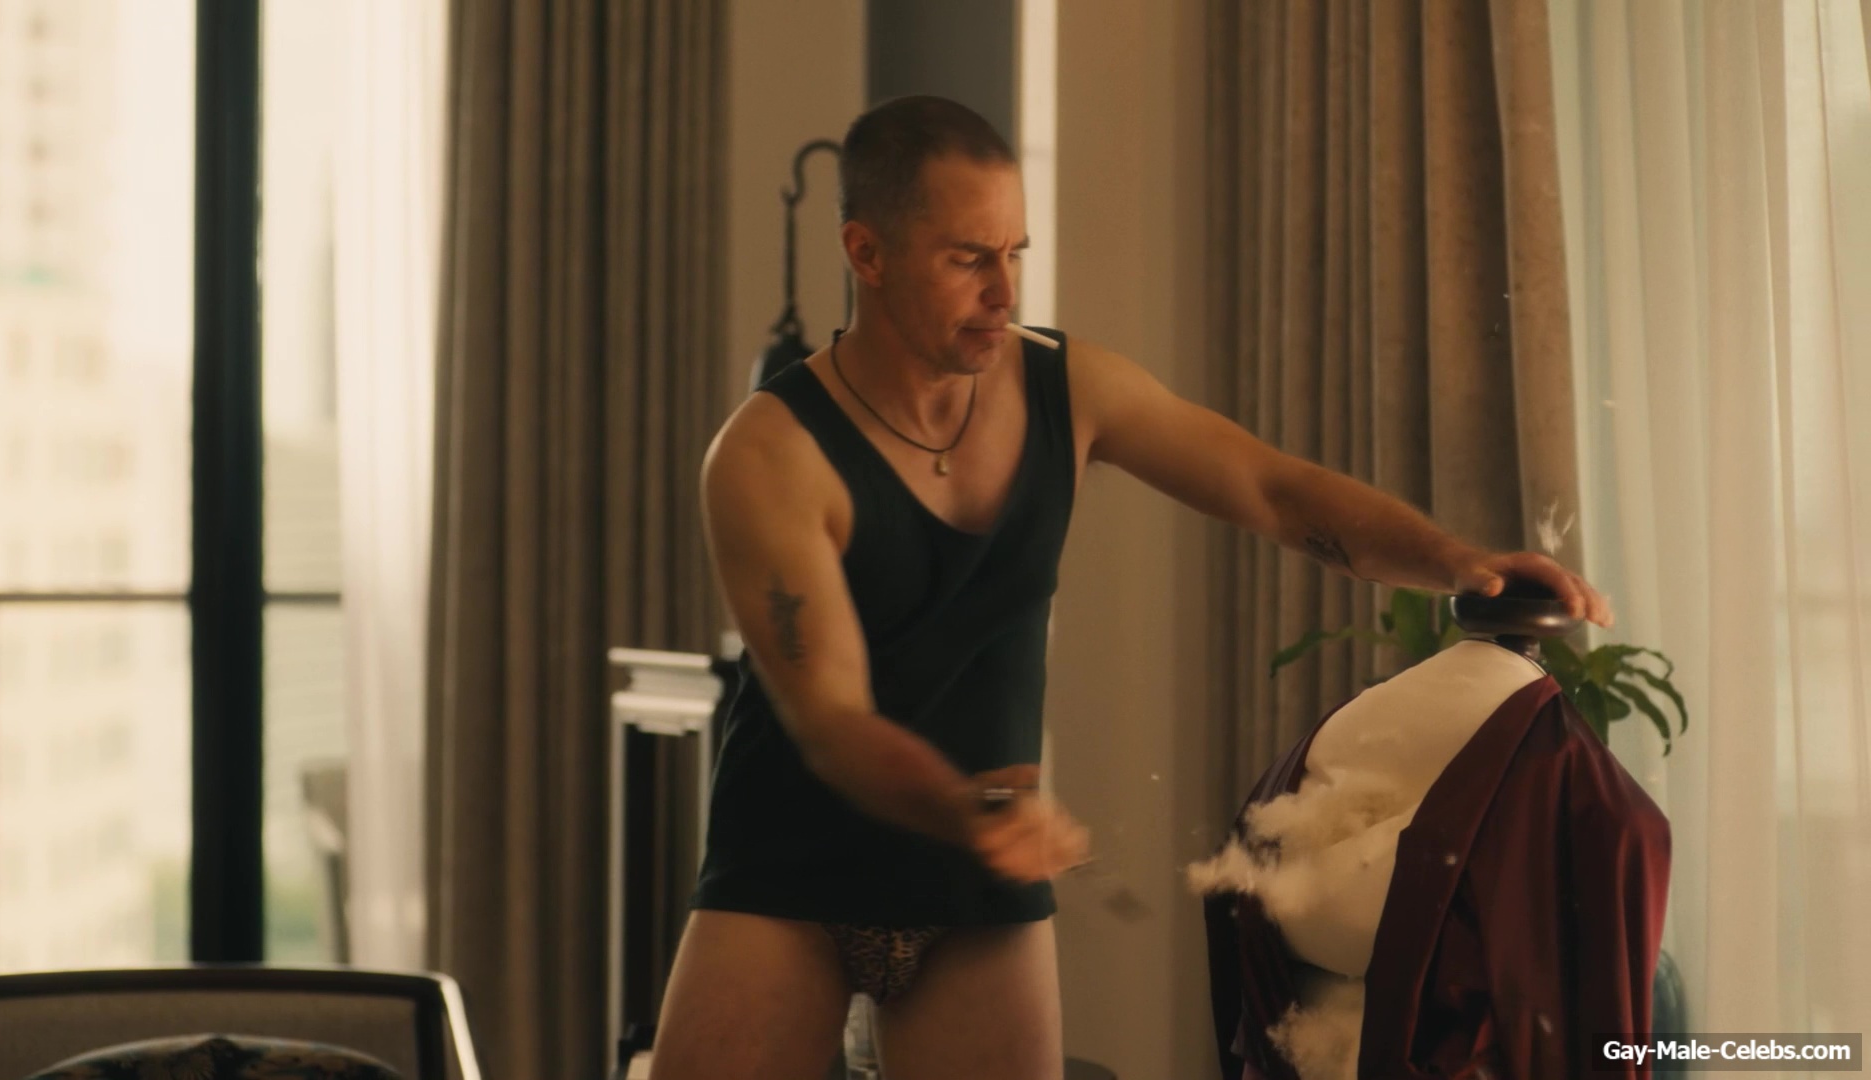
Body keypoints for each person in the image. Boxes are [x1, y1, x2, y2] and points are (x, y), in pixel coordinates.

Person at [648, 95, 1613, 1080]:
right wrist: (969, 810)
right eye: (967, 259)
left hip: (977, 889)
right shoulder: (769, 453)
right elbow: (830, 721)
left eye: (1015, 253)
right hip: (792, 878)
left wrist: (1457, 562)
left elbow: (1273, 491)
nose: (1003, 290)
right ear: (867, 252)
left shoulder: (1067, 387)